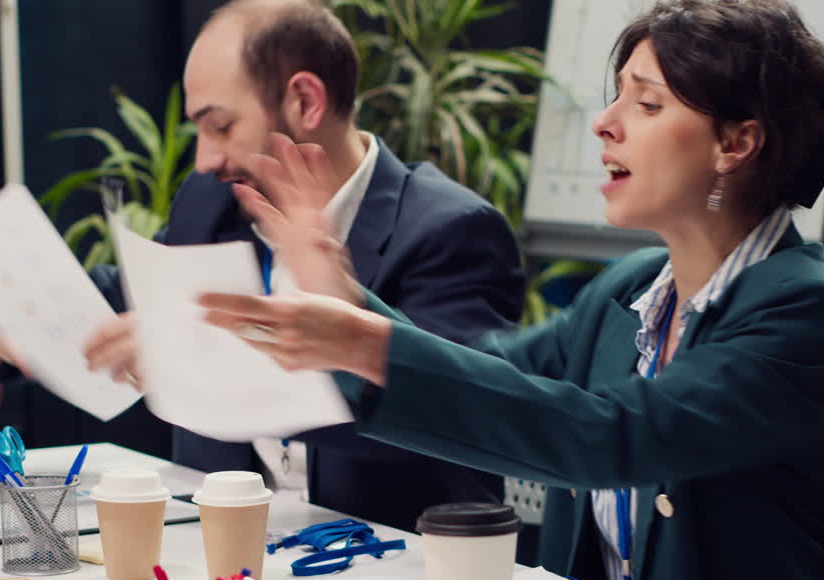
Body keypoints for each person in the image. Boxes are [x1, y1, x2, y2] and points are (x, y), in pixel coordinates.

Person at [199, 0, 824, 580]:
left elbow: (612, 437)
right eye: (616, 96)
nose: (604, 123)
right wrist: (348, 298)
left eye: (647, 102)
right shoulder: (630, 290)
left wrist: (363, 342)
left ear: (737, 142)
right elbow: (489, 375)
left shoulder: (802, 314)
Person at [80, 0, 526, 531]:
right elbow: (135, 297)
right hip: (228, 559)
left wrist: (199, 363)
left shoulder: (450, 232)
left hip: (392, 572)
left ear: (305, 101)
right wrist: (10, 301)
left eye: (220, 126)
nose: (204, 160)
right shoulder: (211, 202)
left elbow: (449, 412)